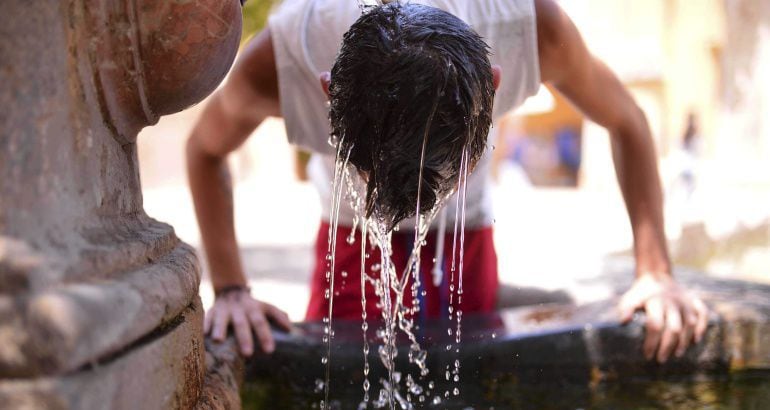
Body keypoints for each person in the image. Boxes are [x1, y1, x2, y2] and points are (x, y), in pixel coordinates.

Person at [186, 0, 709, 364]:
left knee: (477, 375)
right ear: (327, 93)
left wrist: (655, 270)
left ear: (495, 86)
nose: (419, 205)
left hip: (467, 239)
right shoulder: (284, 58)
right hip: (354, 241)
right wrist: (232, 288)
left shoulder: (530, 29)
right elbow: (205, 151)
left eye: (448, 171)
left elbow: (628, 122)